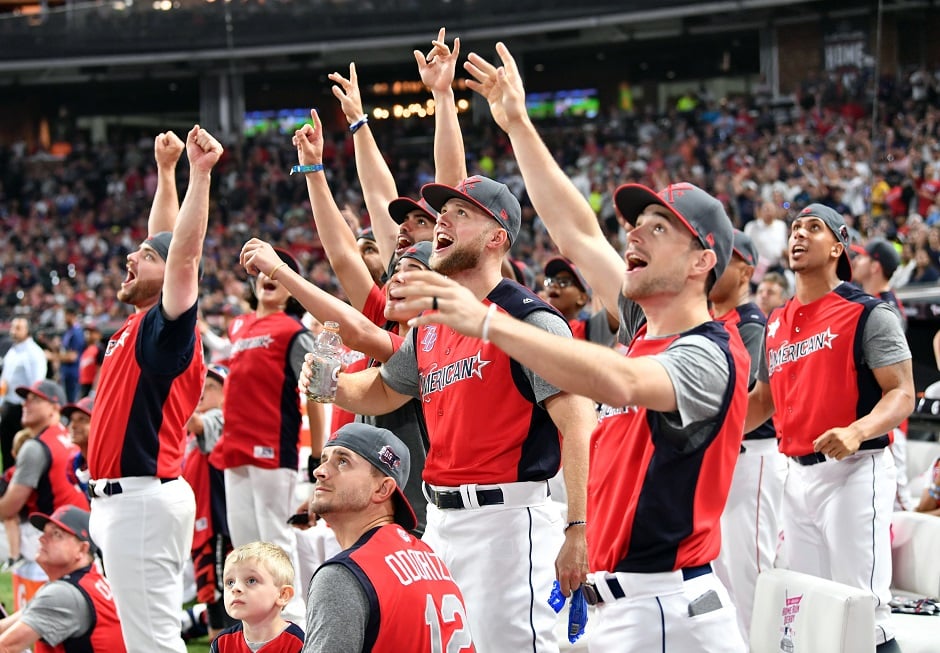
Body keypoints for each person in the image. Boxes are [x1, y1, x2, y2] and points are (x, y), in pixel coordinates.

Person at [390, 42, 749, 651]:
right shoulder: (642, 324)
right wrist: (517, 124)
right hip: (626, 605)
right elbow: (576, 231)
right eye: (636, 223)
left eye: (658, 228)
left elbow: (622, 383)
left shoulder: (710, 354)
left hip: (669, 609)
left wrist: (488, 323)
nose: (632, 233)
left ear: (702, 261)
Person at [303, 175, 593, 653]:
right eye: (442, 211)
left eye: (462, 212)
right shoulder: (434, 325)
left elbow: (579, 424)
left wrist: (578, 528)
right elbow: (385, 388)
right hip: (440, 519)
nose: (442, 219)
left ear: (497, 236)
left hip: (507, 521)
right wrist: (332, 385)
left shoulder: (529, 319)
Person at [746, 204, 914, 653]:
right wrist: (711, 436)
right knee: (810, 608)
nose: (799, 235)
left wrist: (858, 431)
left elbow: (901, 392)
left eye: (813, 228)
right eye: (795, 228)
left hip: (856, 468)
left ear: (838, 246)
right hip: (796, 476)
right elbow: (763, 400)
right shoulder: (776, 322)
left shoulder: (868, 313)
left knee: (863, 611)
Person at [86, 126, 222, 653]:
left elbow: (181, 255)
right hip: (130, 500)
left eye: (142, 256)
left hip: (140, 498)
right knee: (144, 637)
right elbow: (167, 240)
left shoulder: (167, 330)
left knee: (153, 644)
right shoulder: (146, 321)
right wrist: (166, 173)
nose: (130, 257)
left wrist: (200, 174)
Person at [241, 237, 434, 536]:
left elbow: (355, 330)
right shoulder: (384, 351)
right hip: (370, 510)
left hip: (412, 514)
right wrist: (331, 382)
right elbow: (366, 392)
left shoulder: (419, 348)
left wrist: (280, 269)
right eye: (396, 269)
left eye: (414, 269)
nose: (397, 276)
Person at [303, 422, 474, 652]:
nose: (320, 471)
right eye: (324, 459)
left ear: (383, 490)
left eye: (342, 461)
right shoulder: (433, 561)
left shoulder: (344, 575)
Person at [221, 246, 318, 626]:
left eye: (279, 273)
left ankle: (296, 623)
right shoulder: (240, 327)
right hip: (234, 448)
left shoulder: (295, 332)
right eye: (262, 270)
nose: (268, 277)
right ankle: (257, 626)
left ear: (292, 289)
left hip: (271, 447)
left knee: (275, 540)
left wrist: (316, 457)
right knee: (244, 546)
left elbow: (314, 392)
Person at [709, 230, 786, 643]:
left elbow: (757, 399)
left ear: (746, 270)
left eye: (729, 257)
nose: (717, 263)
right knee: (721, 569)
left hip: (750, 454)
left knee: (750, 571)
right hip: (725, 457)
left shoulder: (751, 320)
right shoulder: (714, 321)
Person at [0, 506, 125, 651]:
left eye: (56, 534)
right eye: (44, 532)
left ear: (82, 549)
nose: (42, 539)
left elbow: (5, 646)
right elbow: (4, 627)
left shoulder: (63, 594)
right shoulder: (85, 580)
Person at [0, 380, 88, 580]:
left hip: (54, 539)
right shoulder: (68, 436)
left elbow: (8, 508)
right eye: (26, 399)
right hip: (82, 534)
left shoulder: (36, 447)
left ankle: (16, 560)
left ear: (54, 408)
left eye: (36, 399)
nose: (26, 404)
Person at [851, 238, 914, 511]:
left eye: (862, 258)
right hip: (873, 422)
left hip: (888, 424)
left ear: (875, 266)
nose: (855, 262)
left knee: (899, 505)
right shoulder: (870, 302)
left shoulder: (885, 308)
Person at [182, 364, 234, 640]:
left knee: (222, 601)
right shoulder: (194, 430)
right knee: (213, 599)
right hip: (201, 525)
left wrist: (176, 389)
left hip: (216, 527)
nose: (202, 392)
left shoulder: (219, 417)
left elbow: (196, 423)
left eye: (210, 387)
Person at [212, 542, 304, 653]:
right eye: (230, 582)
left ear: (283, 594)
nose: (235, 588)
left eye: (251, 580)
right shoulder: (222, 643)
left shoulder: (297, 644)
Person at [0, 316, 48, 471]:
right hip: (8, 406)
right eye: (13, 327)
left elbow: (36, 383)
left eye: (18, 328)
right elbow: (5, 380)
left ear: (28, 330)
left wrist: (30, 407)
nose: (13, 331)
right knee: (8, 450)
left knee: (23, 450)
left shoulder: (34, 353)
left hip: (22, 408)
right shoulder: (12, 351)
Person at [542, 256, 618, 346]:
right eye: (550, 281)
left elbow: (619, 302)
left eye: (563, 281)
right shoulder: (535, 325)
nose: (553, 285)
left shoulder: (588, 331)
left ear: (582, 298)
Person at [62, 395, 94, 496]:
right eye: (72, 420)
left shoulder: (113, 460)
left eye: (82, 420)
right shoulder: (73, 464)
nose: (73, 425)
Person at [56, 303, 86, 403]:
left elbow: (73, 356)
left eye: (64, 315)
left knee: (72, 403)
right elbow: (64, 350)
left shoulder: (77, 332)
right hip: (66, 373)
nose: (63, 318)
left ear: (71, 315)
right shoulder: (68, 331)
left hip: (73, 374)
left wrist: (52, 356)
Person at [77, 320, 104, 398]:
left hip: (92, 385)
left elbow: (100, 371)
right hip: (83, 385)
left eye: (92, 332)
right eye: (87, 332)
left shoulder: (100, 349)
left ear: (98, 334)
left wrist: (94, 390)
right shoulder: (86, 349)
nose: (88, 334)